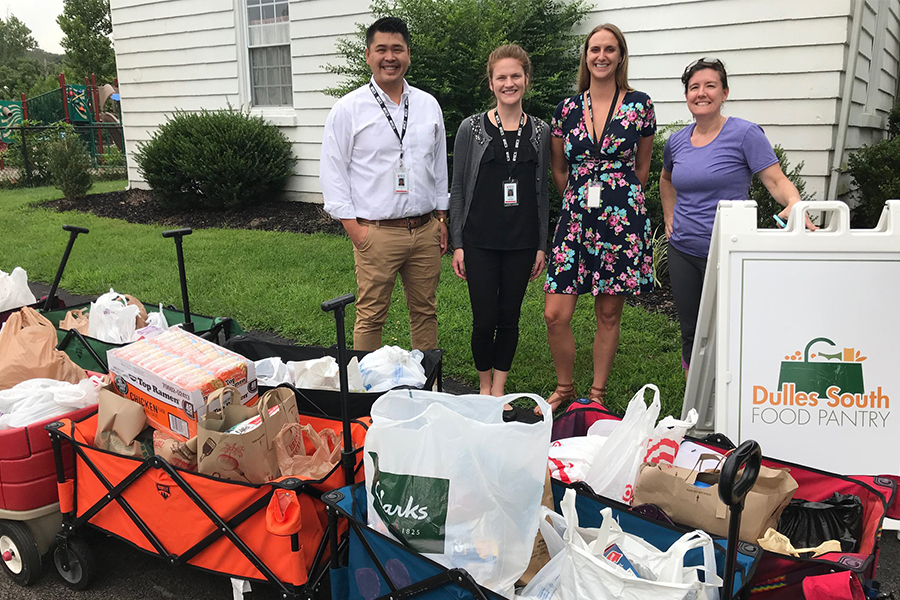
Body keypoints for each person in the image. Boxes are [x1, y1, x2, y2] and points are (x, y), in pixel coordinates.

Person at [660, 58, 811, 371]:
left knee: (731, 329)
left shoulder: (745, 134)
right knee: (690, 330)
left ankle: (732, 393)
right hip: (683, 250)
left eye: (710, 86)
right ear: (687, 95)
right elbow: (666, 179)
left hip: (728, 251)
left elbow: (775, 180)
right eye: (694, 87)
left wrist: (795, 202)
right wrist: (669, 216)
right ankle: (696, 402)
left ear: (724, 93)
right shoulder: (676, 142)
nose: (701, 93)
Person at [544, 23, 656, 411]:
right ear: (586, 56)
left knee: (608, 312)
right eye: (595, 49)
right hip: (575, 218)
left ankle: (596, 395)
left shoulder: (639, 104)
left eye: (610, 49)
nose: (602, 56)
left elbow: (642, 168)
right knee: (555, 313)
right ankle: (564, 387)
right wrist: (578, 200)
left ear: (620, 55)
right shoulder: (567, 109)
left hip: (620, 220)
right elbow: (559, 169)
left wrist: (615, 198)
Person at [319, 16, 449, 352]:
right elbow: (333, 173)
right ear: (368, 55)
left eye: (397, 49)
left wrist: (441, 218)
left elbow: (438, 165)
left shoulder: (428, 105)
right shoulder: (348, 109)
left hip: (424, 230)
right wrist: (355, 230)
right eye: (381, 50)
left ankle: (425, 388)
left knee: (425, 312)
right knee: (372, 315)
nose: (389, 57)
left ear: (408, 55)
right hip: (376, 232)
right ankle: (370, 396)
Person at [449, 44, 550, 397]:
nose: (509, 83)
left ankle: (499, 390)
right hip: (479, 241)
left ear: (526, 80)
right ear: (491, 83)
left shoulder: (541, 131)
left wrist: (541, 245)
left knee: (510, 317)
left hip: (521, 242)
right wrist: (458, 242)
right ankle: (483, 386)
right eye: (501, 77)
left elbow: (542, 195)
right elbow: (458, 188)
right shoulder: (471, 128)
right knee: (484, 319)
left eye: (515, 76)